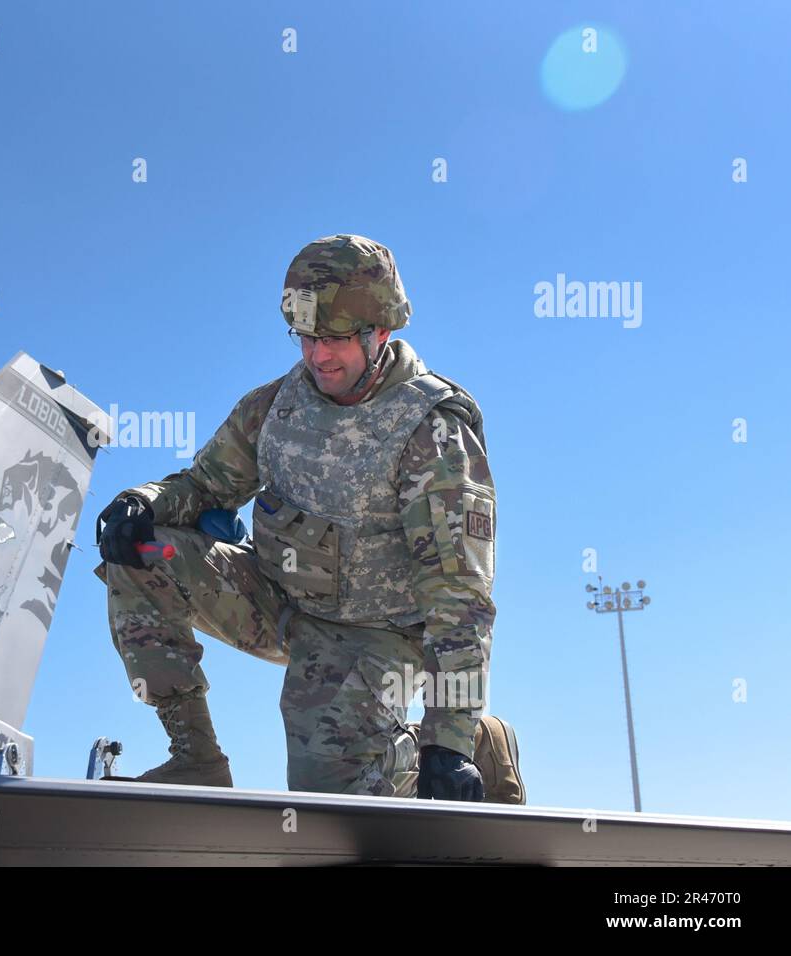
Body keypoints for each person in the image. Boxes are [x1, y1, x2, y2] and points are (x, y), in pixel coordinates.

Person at [94, 234, 524, 802]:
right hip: (282, 601)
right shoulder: (275, 407)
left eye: (339, 339)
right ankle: (195, 758)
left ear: (382, 333)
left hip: (379, 636)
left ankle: (436, 751)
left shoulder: (430, 431)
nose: (319, 355)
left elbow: (460, 598)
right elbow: (205, 485)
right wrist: (144, 502)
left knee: (324, 796)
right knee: (144, 556)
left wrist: (452, 740)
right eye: (307, 337)